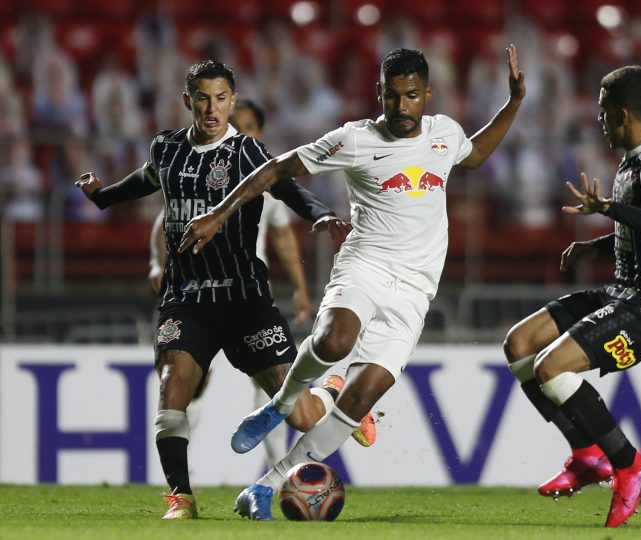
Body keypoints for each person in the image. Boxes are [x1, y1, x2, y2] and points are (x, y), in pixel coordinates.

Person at [179, 45, 526, 520]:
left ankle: (267, 484)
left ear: (428, 93)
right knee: (335, 339)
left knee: (360, 399)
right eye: (392, 97)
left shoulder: (445, 133)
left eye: (411, 96)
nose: (401, 108)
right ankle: (281, 404)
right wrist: (220, 213)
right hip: (365, 264)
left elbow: (478, 153)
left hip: (414, 292)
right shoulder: (355, 139)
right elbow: (277, 169)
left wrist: (514, 102)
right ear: (378, 93)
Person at [74, 59, 373, 520]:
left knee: (298, 412)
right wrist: (102, 196)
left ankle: (334, 392)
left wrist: (317, 214)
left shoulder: (247, 153)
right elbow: (142, 182)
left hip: (244, 299)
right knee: (173, 386)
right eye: (203, 98)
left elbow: (288, 188)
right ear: (187, 101)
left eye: (221, 99)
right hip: (187, 296)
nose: (212, 109)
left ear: (232, 101)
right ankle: (182, 498)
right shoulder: (166, 150)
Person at [502, 66, 641, 527]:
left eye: (603, 116)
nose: (600, 124)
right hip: (623, 289)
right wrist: (598, 244)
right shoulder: (634, 161)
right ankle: (587, 455)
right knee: (521, 343)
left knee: (551, 367)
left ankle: (631, 465)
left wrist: (608, 209)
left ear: (623, 114)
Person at [146, 99, 332, 470]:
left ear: (259, 134)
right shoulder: (198, 172)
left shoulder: (265, 179)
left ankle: (279, 470)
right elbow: (164, 221)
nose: (240, 132)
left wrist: (300, 287)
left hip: (249, 296)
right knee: (189, 385)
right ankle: (186, 480)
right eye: (237, 124)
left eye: (249, 126)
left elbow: (283, 237)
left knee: (282, 396)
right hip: (197, 294)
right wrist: (157, 263)